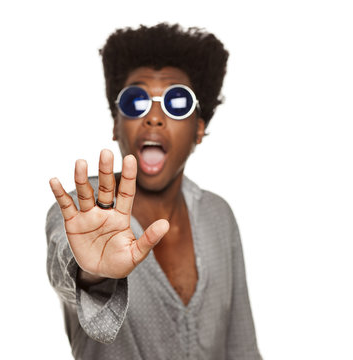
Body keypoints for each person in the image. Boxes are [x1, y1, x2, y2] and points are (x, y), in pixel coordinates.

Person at [46, 23, 261, 360]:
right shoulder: (78, 214)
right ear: (116, 126)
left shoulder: (219, 215)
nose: (155, 117)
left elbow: (242, 347)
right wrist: (93, 273)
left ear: (199, 130)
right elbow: (65, 269)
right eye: (136, 101)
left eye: (177, 101)